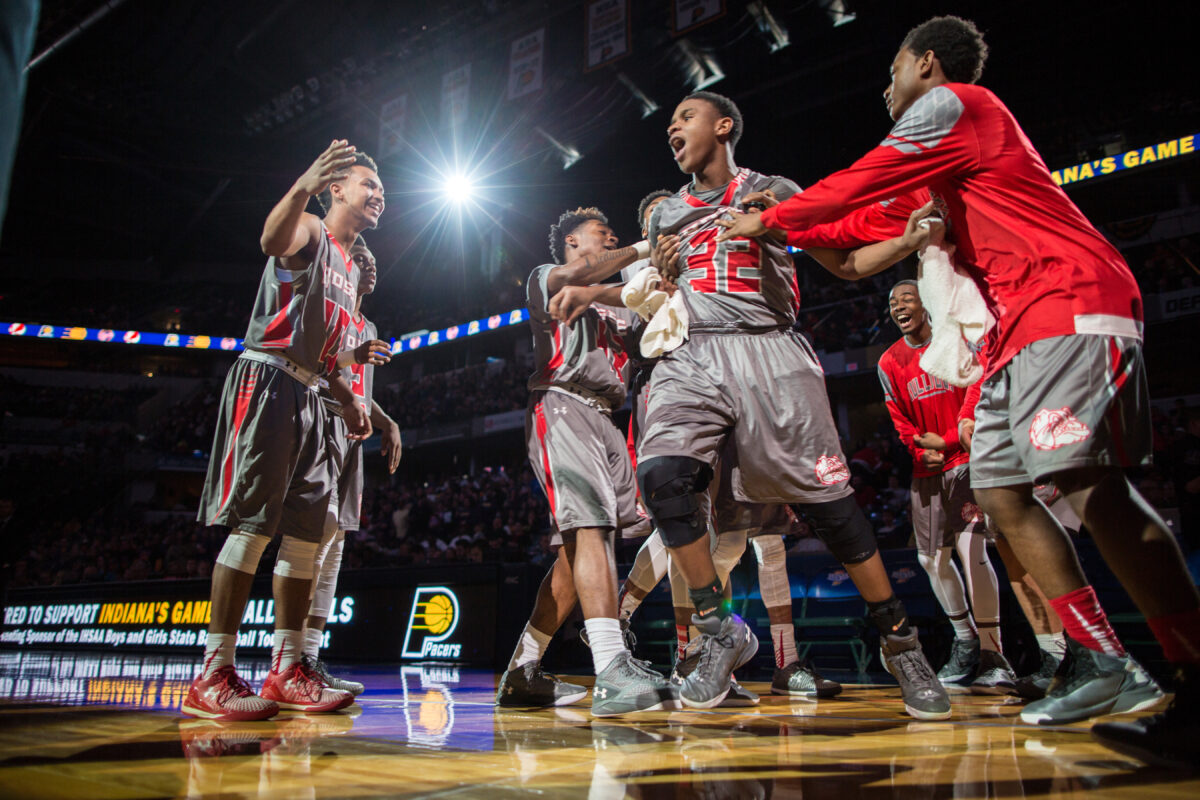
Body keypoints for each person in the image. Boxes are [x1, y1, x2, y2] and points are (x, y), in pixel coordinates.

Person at [723, 16, 1197, 761]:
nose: (886, 87)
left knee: (1087, 485)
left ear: (927, 63)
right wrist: (781, 231)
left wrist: (775, 215)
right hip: (1019, 331)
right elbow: (857, 224)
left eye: (893, 70)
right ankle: (1101, 656)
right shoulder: (941, 171)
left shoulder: (958, 106)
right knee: (1003, 488)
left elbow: (866, 176)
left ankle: (1188, 669)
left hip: (1070, 301)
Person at [637, 90, 949, 718]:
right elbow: (659, 293)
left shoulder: (775, 189)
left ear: (723, 127)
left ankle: (900, 641)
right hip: (693, 353)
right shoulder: (662, 214)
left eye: (685, 117)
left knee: (830, 509)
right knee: (662, 475)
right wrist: (665, 277)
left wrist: (909, 243)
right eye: (668, 122)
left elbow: (847, 262)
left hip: (771, 349)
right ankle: (718, 629)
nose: (671, 128)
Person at [183, 141, 378, 720]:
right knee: (253, 529)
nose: (380, 197)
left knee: (304, 540)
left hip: (315, 395)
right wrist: (302, 184)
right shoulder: (312, 229)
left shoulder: (349, 265)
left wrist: (351, 402)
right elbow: (270, 241)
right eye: (370, 185)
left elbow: (324, 357)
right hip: (269, 380)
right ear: (336, 187)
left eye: (384, 192)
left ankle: (287, 667)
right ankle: (213, 673)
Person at [495, 206, 679, 717]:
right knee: (591, 531)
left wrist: (660, 279)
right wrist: (645, 246)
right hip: (562, 403)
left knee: (575, 553)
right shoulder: (547, 277)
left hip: (607, 418)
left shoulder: (616, 302)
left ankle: (522, 670)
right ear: (573, 242)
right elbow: (581, 277)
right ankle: (611, 666)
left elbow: (645, 333)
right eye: (603, 233)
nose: (613, 239)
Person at [877, 279, 1016, 693]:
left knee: (972, 551)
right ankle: (966, 641)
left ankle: (996, 655)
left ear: (926, 305)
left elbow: (976, 390)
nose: (899, 306)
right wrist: (918, 452)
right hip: (927, 470)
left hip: (965, 462)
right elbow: (898, 417)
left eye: (907, 299)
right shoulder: (888, 361)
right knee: (930, 561)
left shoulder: (951, 341)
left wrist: (952, 440)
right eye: (892, 302)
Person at [304, 237, 403, 696]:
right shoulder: (334, 313)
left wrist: (387, 421)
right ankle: (292, 660)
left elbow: (362, 390)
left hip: (353, 440)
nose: (371, 266)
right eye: (361, 258)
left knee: (335, 551)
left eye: (374, 259)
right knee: (314, 544)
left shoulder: (369, 324)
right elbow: (316, 366)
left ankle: (309, 657)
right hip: (321, 424)